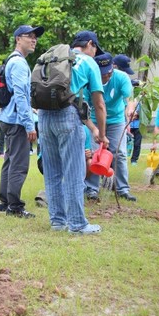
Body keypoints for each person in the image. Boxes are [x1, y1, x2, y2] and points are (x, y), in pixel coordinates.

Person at [38, 30, 108, 234]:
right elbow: (99, 104)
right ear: (90, 44)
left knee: (52, 172)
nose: (95, 53)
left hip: (43, 117)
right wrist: (101, 134)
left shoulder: (53, 56)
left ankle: (58, 221)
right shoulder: (87, 62)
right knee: (74, 172)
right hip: (67, 117)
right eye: (95, 48)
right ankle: (77, 224)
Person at [0, 25, 42, 218]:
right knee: (19, 164)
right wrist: (29, 124)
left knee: (9, 161)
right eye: (29, 36)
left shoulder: (13, 61)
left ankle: (4, 202)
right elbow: (21, 95)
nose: (34, 40)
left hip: (8, 117)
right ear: (18, 39)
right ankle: (14, 207)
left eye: (35, 37)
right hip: (17, 121)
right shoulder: (19, 63)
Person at [84, 53, 137, 201]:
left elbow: (129, 98)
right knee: (95, 153)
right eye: (102, 74)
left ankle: (122, 188)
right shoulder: (89, 80)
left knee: (119, 153)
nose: (106, 76)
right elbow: (84, 108)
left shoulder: (121, 77)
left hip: (116, 120)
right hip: (94, 120)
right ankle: (92, 188)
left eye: (109, 72)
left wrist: (130, 109)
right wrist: (94, 129)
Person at [128, 79, 143, 165]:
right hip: (128, 125)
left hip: (138, 125)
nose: (135, 88)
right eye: (133, 86)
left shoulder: (142, 99)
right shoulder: (127, 97)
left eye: (137, 86)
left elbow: (145, 113)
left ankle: (134, 160)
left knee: (137, 144)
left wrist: (137, 114)